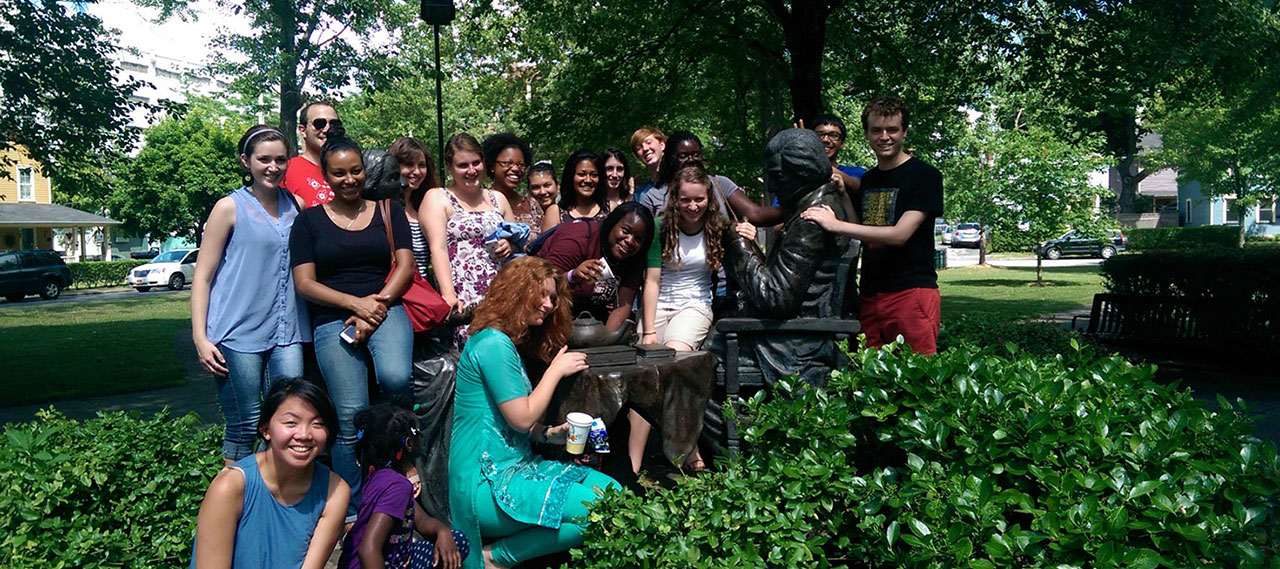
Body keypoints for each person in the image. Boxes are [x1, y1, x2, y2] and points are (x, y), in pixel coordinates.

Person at [449, 256, 619, 569]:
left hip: (517, 467)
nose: (548, 304)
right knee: (598, 508)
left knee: (613, 492)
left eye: (553, 297)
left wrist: (549, 434)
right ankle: (495, 558)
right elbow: (522, 417)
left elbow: (515, 423)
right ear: (516, 292)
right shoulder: (492, 344)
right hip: (486, 482)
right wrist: (555, 371)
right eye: (541, 294)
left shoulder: (503, 342)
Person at [290, 131, 416, 514]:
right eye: (340, 173)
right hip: (334, 318)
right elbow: (305, 283)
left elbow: (406, 266)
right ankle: (352, 508)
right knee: (349, 414)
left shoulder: (386, 210)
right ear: (326, 177)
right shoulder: (309, 222)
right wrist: (354, 305)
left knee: (395, 378)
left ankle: (402, 468)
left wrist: (375, 306)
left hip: (386, 307)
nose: (350, 180)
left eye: (356, 171)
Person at [191, 125, 311, 466]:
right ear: (246, 161)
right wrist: (200, 337)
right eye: (263, 159)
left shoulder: (297, 206)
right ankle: (232, 506)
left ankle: (272, 497)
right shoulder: (229, 208)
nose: (273, 167)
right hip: (237, 333)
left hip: (287, 333)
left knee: (287, 420)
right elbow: (202, 276)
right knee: (245, 423)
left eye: (280, 160)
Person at [634, 166, 754, 473]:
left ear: (708, 198)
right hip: (658, 304)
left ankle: (686, 448)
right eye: (685, 200)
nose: (692, 207)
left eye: (698, 199)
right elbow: (651, 281)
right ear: (675, 199)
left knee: (673, 360)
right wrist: (648, 331)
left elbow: (744, 241)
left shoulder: (717, 225)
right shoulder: (661, 227)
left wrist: (747, 232)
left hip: (694, 304)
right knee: (643, 374)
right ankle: (635, 464)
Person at [801, 97, 944, 354]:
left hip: (911, 293)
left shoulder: (925, 176)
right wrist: (845, 195)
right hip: (871, 295)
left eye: (892, 130)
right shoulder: (869, 179)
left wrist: (835, 225)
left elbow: (900, 234)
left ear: (905, 132)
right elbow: (865, 233)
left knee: (917, 378)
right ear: (867, 134)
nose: (885, 137)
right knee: (870, 380)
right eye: (877, 130)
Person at [190, 379, 349, 569]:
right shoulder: (231, 486)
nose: (304, 435)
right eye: (291, 423)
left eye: (317, 424)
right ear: (266, 429)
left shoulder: (335, 491)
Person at [340, 401, 467, 569]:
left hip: (388, 560)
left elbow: (423, 522)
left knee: (455, 540)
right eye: (418, 433)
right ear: (408, 443)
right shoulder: (397, 487)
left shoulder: (379, 477)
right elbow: (368, 550)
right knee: (457, 545)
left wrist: (442, 532)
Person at [421, 134, 516, 346]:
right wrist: (449, 295)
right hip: (464, 291)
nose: (471, 171)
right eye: (463, 165)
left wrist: (510, 244)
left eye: (476, 163)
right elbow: (438, 249)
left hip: (502, 289)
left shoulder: (497, 198)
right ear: (450, 166)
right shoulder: (438, 197)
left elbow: (517, 236)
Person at [535, 202, 654, 330]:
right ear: (611, 224)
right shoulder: (577, 239)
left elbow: (622, 306)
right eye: (625, 231)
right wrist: (572, 276)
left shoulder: (634, 256)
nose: (630, 241)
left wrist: (607, 341)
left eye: (638, 239)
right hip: (545, 313)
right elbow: (541, 285)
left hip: (591, 321)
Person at [638, 131, 782, 226]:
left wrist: (798, 208)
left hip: (721, 271)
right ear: (670, 159)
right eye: (683, 156)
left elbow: (756, 214)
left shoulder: (720, 184)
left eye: (696, 154)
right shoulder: (653, 196)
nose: (691, 160)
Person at [389, 137, 442, 281]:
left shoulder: (427, 206)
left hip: (423, 292)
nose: (417, 171)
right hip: (394, 294)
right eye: (409, 164)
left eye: (422, 165)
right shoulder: (384, 207)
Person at [482, 133, 543, 244]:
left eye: (521, 164)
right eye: (507, 163)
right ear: (491, 166)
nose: (515, 168)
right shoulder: (481, 203)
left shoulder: (532, 205)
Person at [282, 100, 341, 207]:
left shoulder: (352, 171)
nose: (327, 129)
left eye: (333, 124)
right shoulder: (286, 170)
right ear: (303, 130)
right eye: (319, 123)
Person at [547, 149, 608, 232]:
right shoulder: (555, 212)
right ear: (571, 176)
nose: (588, 180)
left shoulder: (610, 209)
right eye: (581, 174)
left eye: (594, 175)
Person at [629, 126, 666, 204]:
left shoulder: (681, 182)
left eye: (649, 142)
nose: (645, 148)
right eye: (639, 147)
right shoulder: (639, 195)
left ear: (662, 145)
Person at [525, 162, 559, 241]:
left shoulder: (568, 213)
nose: (542, 192)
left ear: (557, 185)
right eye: (536, 187)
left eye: (547, 185)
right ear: (529, 190)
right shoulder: (524, 217)